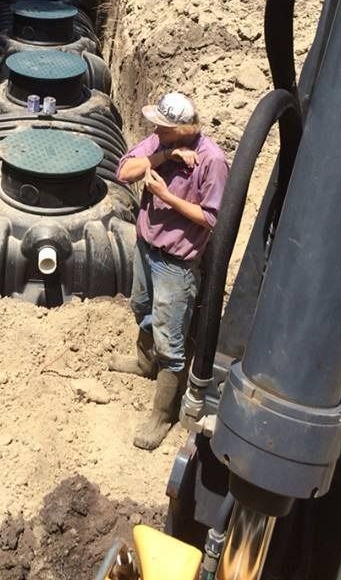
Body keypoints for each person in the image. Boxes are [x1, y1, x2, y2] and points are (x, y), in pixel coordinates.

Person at [111, 91, 229, 450]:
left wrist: (166, 196)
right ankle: (145, 363)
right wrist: (163, 155)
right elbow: (123, 172)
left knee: (171, 340)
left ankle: (162, 413)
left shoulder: (213, 162)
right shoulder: (160, 143)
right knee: (140, 307)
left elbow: (211, 218)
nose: (155, 130)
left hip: (176, 263)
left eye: (163, 128)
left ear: (183, 128)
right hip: (146, 246)